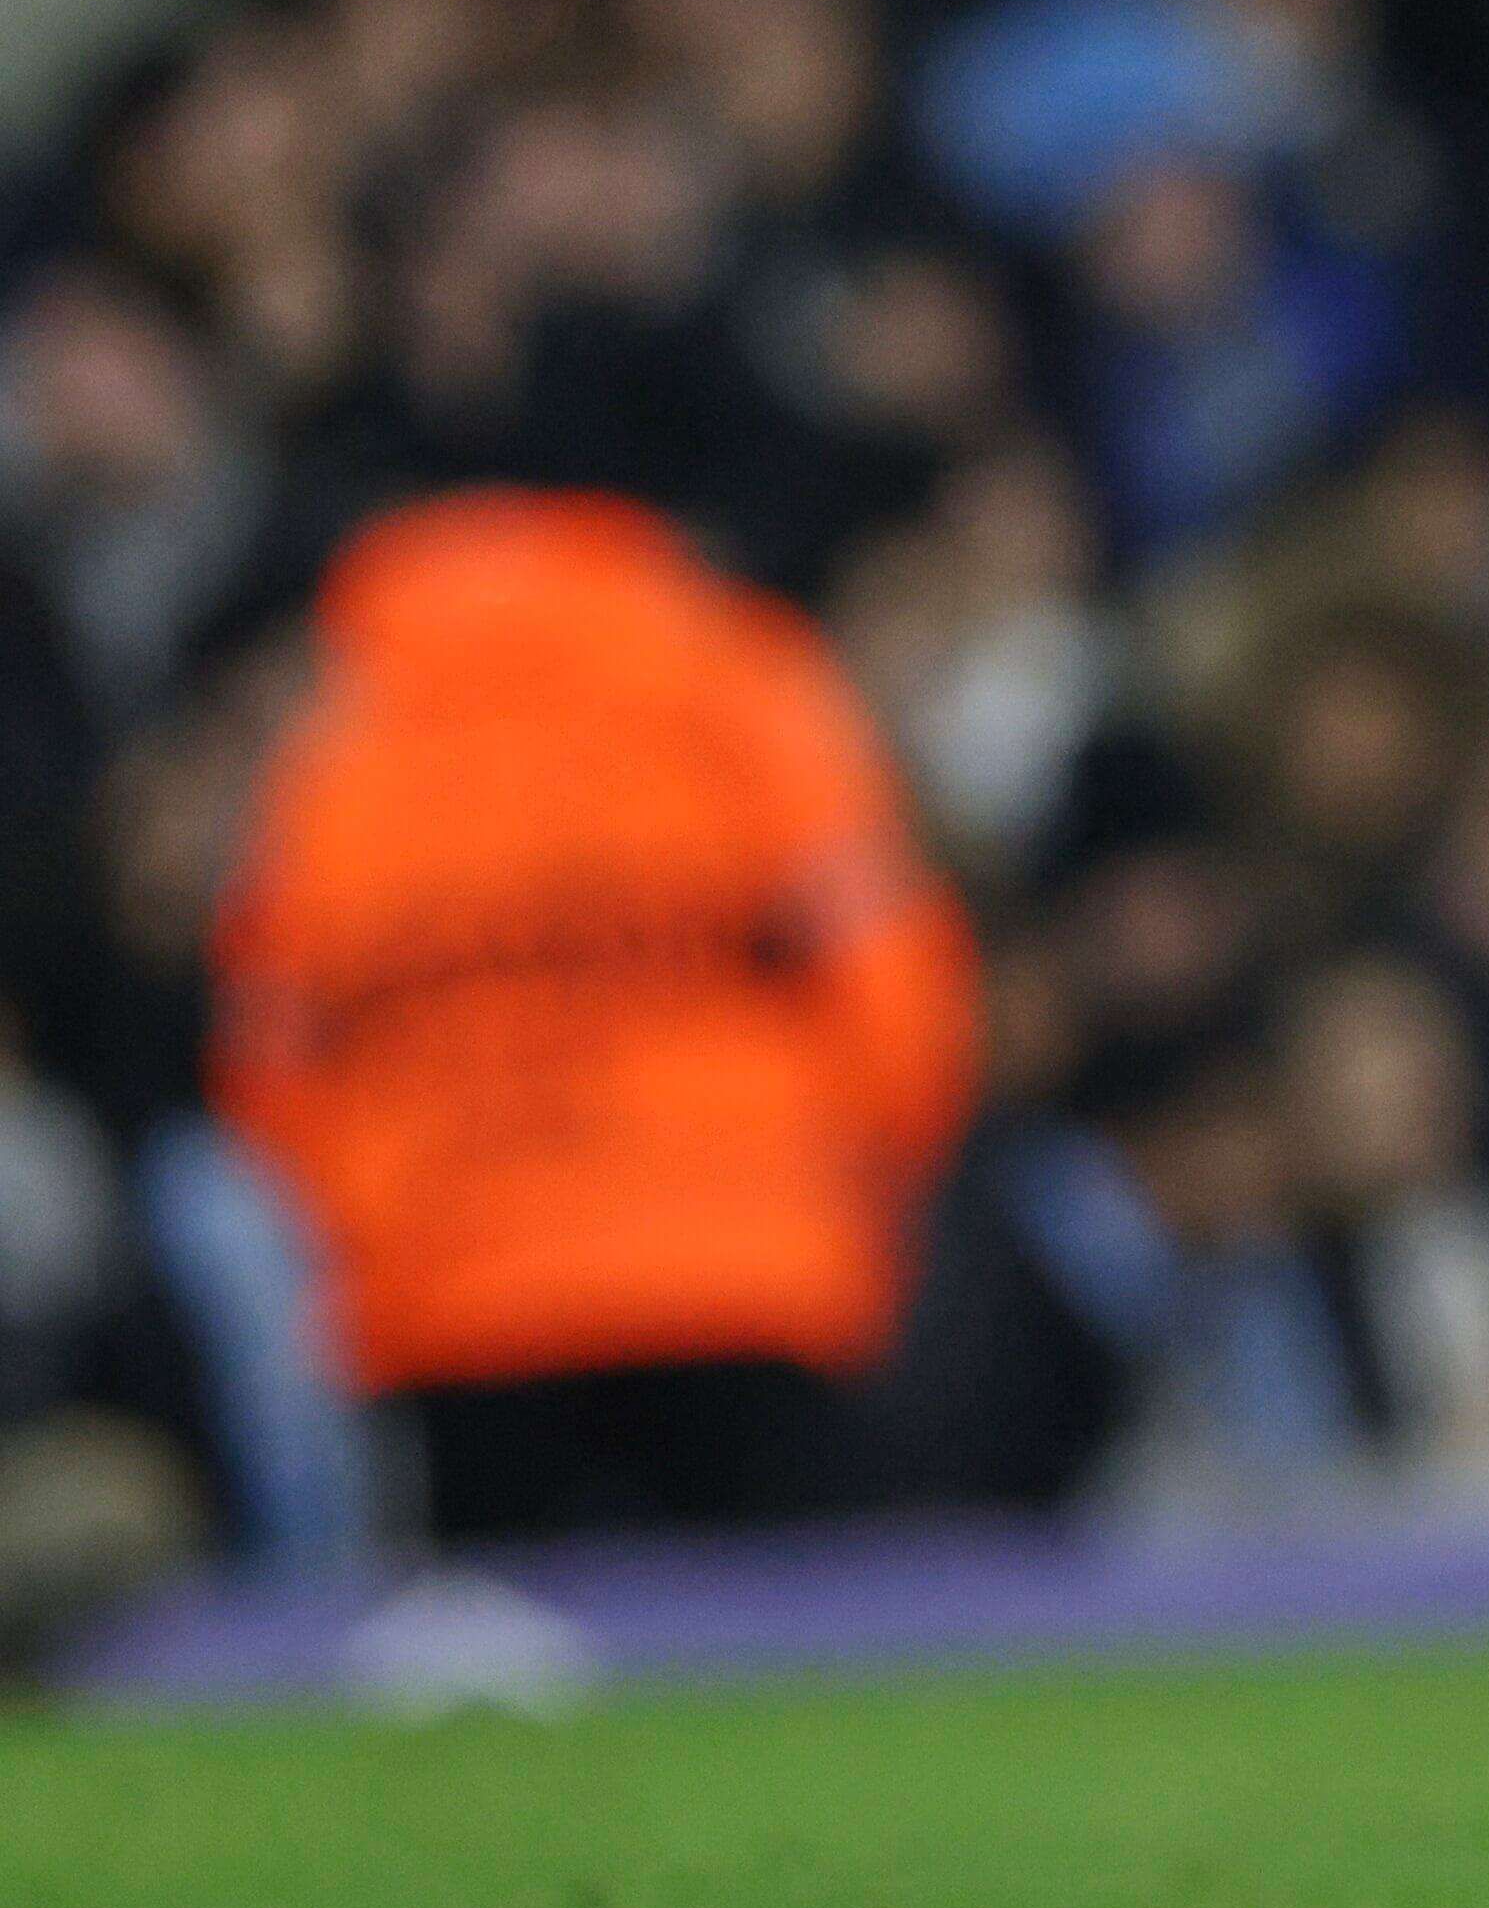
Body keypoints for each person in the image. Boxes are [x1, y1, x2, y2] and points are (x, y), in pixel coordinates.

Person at [210, 478, 981, 1542]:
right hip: (741, 1264)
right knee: (791, 1664)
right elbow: (891, 981)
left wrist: (381, 1223)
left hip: (464, 1297)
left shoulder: (340, 749)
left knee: (520, 1675)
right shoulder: (740, 682)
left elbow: (272, 1068)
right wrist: (863, 1185)